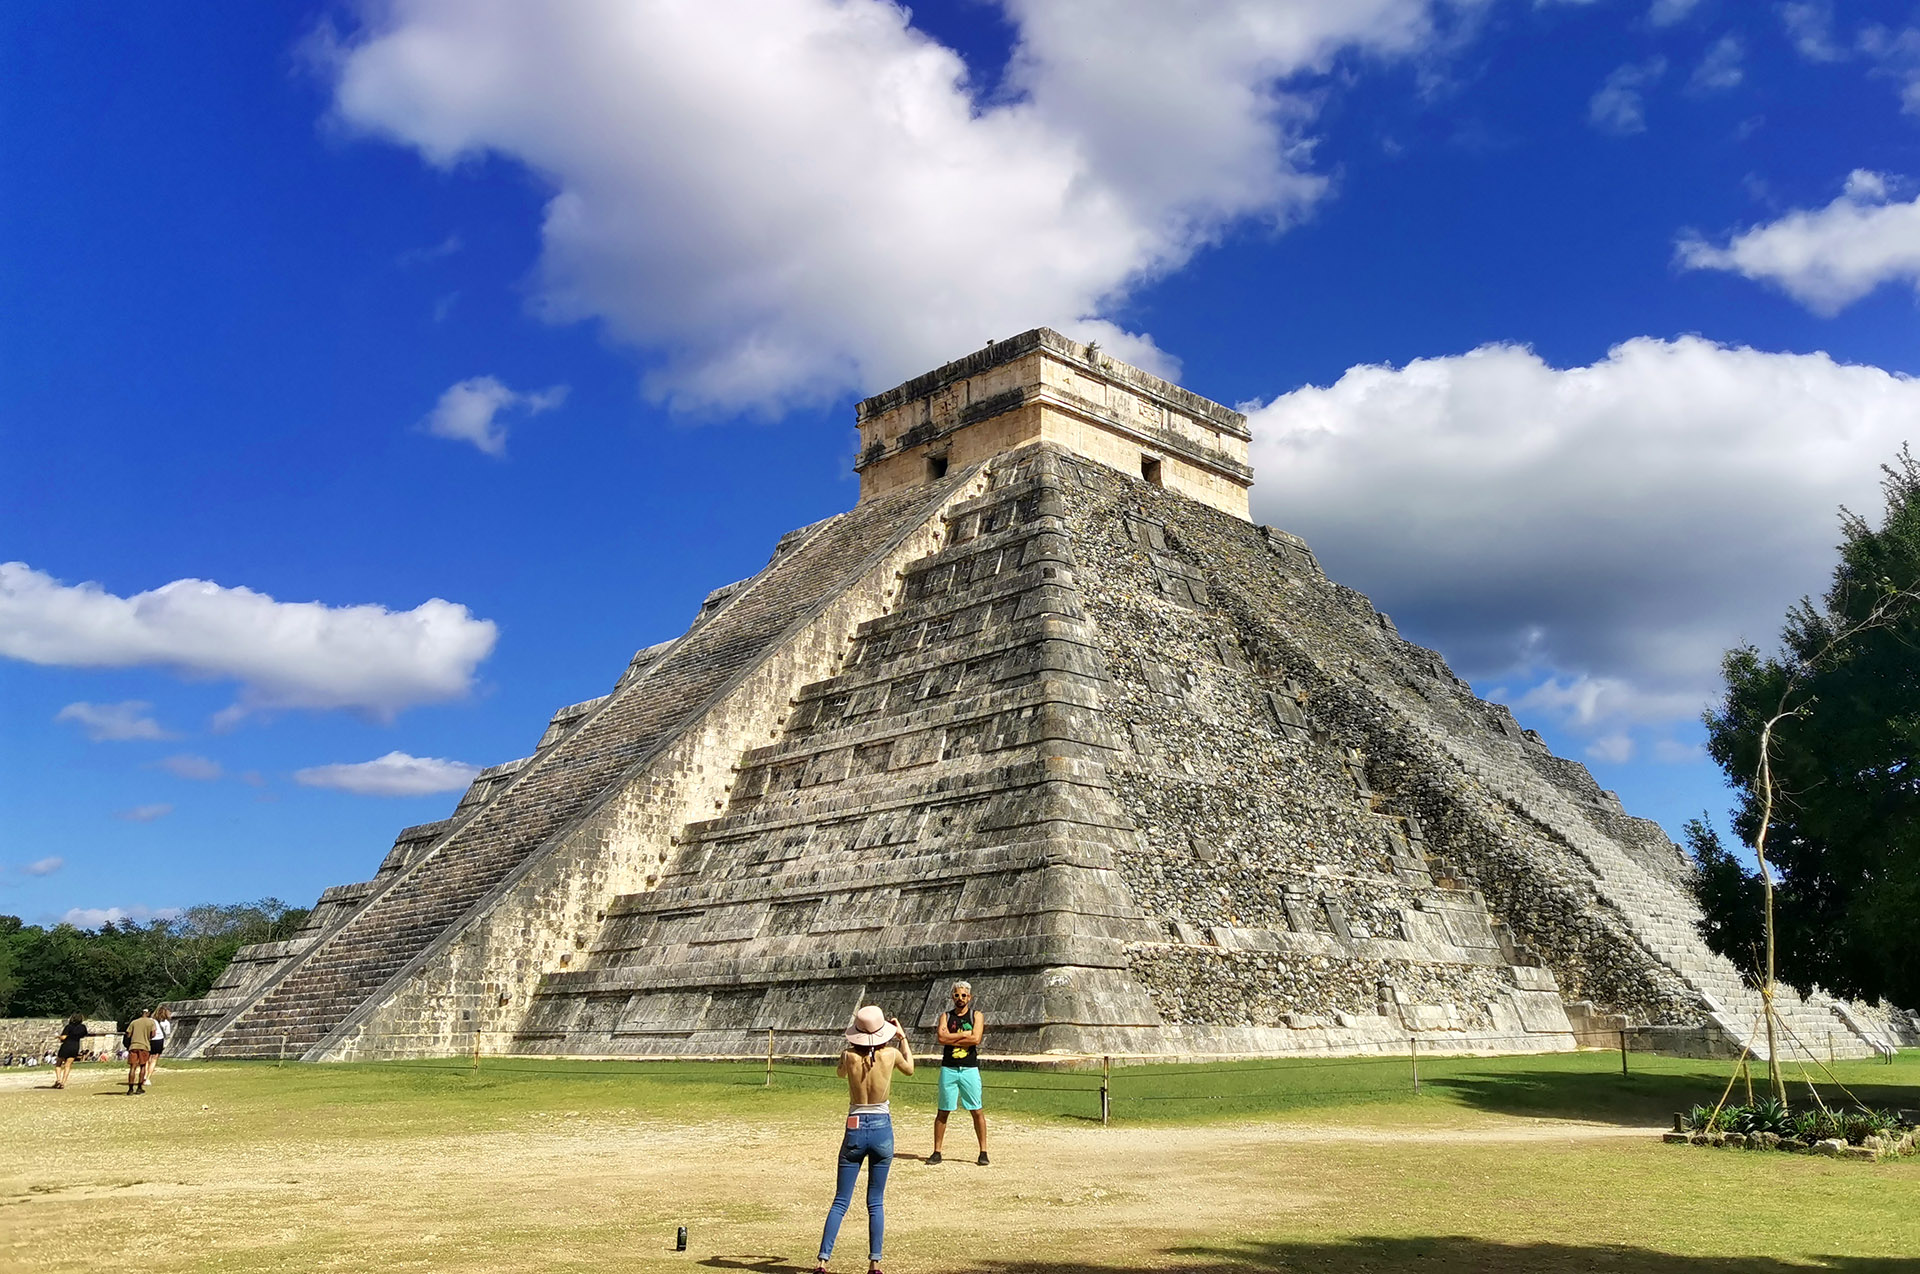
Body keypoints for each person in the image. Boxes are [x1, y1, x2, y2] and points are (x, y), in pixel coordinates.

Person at [815, 1005, 912, 1274]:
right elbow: (911, 1069)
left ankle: (823, 1260)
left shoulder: (848, 1056)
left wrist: (852, 1050)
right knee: (876, 1201)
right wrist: (902, 1039)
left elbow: (839, 1073)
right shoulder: (891, 1054)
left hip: (855, 1125)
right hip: (882, 1125)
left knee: (840, 1200)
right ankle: (874, 1262)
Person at [928, 980, 988, 1165]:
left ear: (969, 997)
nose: (960, 998)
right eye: (957, 995)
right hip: (949, 1068)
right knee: (943, 1111)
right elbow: (941, 1037)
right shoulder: (945, 1016)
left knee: (976, 1110)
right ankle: (937, 1151)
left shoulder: (976, 1015)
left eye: (963, 995)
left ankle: (983, 1151)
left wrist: (951, 1038)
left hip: (969, 1068)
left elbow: (976, 1039)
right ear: (952, 996)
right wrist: (964, 1036)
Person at [53, 1013, 92, 1089]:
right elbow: (84, 1035)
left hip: (66, 1045)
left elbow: (63, 1037)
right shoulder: (82, 1027)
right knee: (68, 1065)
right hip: (75, 1046)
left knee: (59, 1063)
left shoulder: (69, 1027)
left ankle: (58, 1080)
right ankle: (63, 1083)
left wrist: (58, 1037)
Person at [124, 1008, 158, 1095]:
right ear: (148, 1013)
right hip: (144, 1046)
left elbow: (128, 1034)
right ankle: (139, 1087)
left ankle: (130, 1089)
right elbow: (153, 1034)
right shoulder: (151, 1022)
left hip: (134, 1046)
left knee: (133, 1067)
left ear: (141, 1013)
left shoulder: (134, 1022)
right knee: (143, 1066)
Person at [143, 1008, 171, 1086]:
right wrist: (165, 1045)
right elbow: (167, 1035)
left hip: (149, 1040)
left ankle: (144, 1075)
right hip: (159, 1040)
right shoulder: (166, 1023)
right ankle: (148, 1078)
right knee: (154, 1060)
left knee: (147, 1059)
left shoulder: (151, 1020)